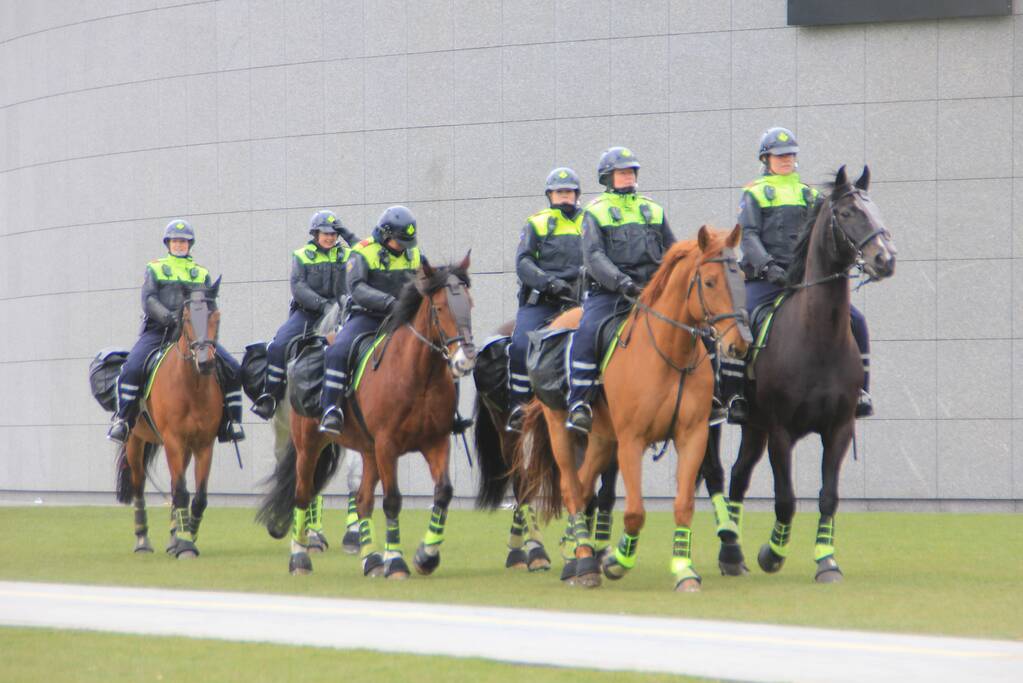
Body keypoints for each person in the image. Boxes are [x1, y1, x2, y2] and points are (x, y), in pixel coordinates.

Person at [723, 127, 872, 423]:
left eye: (790, 154)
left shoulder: (810, 194)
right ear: (766, 159)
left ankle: (862, 392)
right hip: (765, 279)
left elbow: (823, 239)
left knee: (855, 320)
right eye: (780, 156)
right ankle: (735, 394)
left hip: (804, 281)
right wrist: (769, 268)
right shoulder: (754, 192)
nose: (786, 159)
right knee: (742, 320)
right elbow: (749, 236)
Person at [565, 147, 676, 434]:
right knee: (587, 332)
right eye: (621, 172)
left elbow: (672, 250)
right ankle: (579, 403)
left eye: (630, 172)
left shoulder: (653, 209)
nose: (627, 177)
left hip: (652, 293)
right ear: (607, 177)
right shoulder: (595, 211)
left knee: (696, 328)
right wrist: (621, 282)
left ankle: (713, 395)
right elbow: (594, 257)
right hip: (611, 293)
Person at [107, 220, 245, 443]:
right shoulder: (156, 267)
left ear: (190, 244)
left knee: (232, 368)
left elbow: (207, 305)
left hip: (194, 335)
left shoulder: (200, 273)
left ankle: (232, 422)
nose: (180, 245)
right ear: (168, 243)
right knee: (132, 367)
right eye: (175, 241)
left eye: (184, 241)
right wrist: (168, 317)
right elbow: (149, 298)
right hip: (159, 331)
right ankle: (122, 421)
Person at [318, 206, 423, 435]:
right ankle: (331, 409)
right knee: (337, 351)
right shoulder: (363, 251)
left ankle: (448, 413)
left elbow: (424, 280)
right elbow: (356, 288)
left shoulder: (413, 253)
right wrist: (389, 303)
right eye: (399, 241)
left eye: (407, 242)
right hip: (367, 316)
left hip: (402, 318)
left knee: (435, 347)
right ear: (385, 235)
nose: (404, 247)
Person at [251, 210, 358, 420]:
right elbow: (298, 286)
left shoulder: (347, 254)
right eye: (325, 233)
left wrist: (348, 234)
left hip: (341, 314)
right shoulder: (301, 255)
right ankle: (270, 397)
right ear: (315, 234)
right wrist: (324, 306)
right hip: (308, 314)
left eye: (334, 234)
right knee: (278, 344)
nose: (330, 237)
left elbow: (368, 252)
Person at [505, 167, 584, 433]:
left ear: (577, 195)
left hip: (581, 300)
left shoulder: (590, 221)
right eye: (559, 192)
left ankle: (585, 403)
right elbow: (523, 263)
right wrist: (550, 283)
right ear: (550, 195)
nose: (565, 197)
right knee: (519, 345)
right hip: (544, 300)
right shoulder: (536, 223)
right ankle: (518, 407)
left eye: (569, 192)